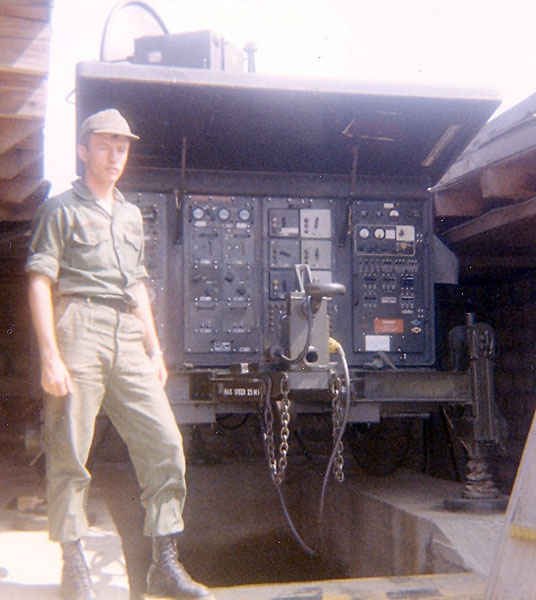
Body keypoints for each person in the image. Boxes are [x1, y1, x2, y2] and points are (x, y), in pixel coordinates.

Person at [25, 108, 214, 600]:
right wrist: (50, 355)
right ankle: (74, 566)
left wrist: (154, 348)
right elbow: (41, 281)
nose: (115, 155)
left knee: (165, 443)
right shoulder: (61, 209)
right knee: (69, 450)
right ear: (83, 149)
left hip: (127, 334)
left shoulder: (130, 215)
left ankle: (164, 565)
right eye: (106, 145)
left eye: (123, 146)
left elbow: (137, 286)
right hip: (78, 327)